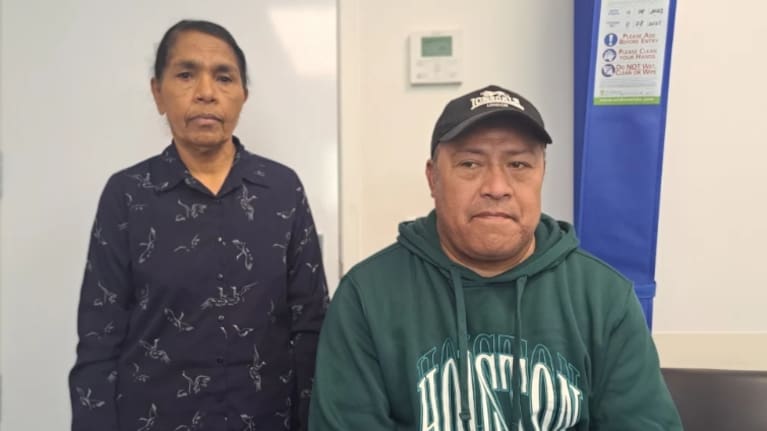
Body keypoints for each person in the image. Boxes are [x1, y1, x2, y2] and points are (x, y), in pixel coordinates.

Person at [309, 85, 681, 430]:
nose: (497, 188)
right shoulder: (367, 296)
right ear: (433, 178)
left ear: (542, 175)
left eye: (518, 165)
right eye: (470, 164)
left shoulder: (604, 297)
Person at [69, 19, 328, 431]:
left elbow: (310, 326)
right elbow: (99, 338)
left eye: (224, 77)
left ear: (243, 94)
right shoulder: (128, 195)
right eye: (186, 74)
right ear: (158, 92)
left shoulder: (282, 189)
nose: (206, 92)